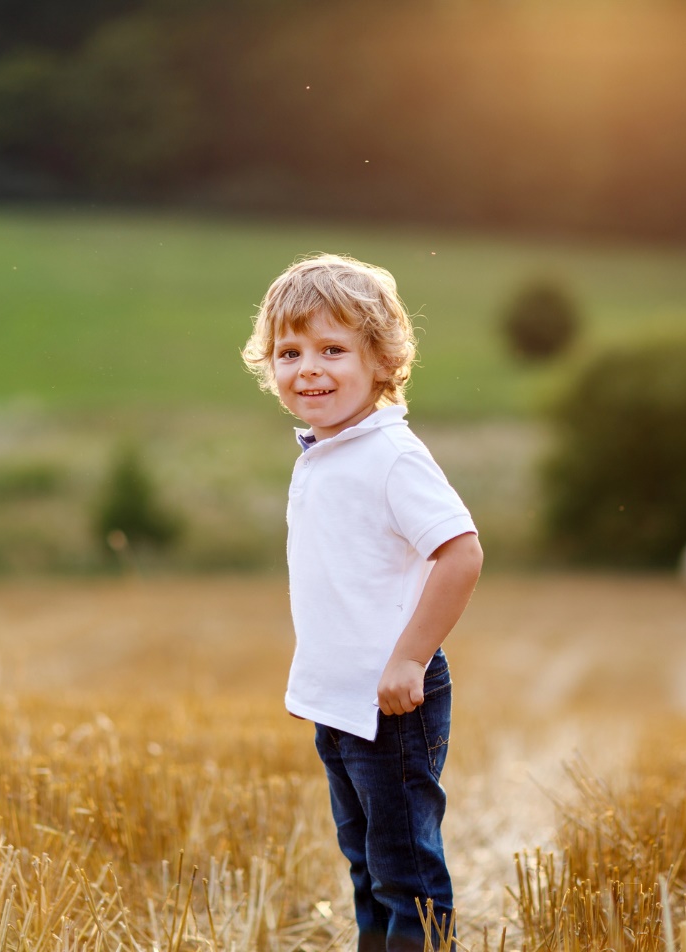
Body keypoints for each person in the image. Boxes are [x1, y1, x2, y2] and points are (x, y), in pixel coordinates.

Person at [240, 253, 484, 952]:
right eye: (289, 352)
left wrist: (410, 657)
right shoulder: (323, 453)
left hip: (392, 703)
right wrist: (313, 681)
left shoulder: (389, 454)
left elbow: (460, 551)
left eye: (331, 349)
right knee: (365, 865)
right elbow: (337, 586)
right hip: (342, 700)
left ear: (380, 361)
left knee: (404, 873)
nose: (307, 367)